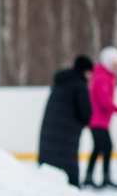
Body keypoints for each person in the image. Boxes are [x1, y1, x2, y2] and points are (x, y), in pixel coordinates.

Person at [85, 46, 117, 190]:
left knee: (99, 148)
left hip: (100, 121)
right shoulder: (102, 77)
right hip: (97, 121)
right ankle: (103, 177)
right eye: (116, 64)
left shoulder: (106, 76)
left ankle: (90, 176)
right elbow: (104, 102)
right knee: (107, 147)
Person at [38, 55, 94, 187]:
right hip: (67, 140)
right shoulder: (80, 85)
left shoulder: (59, 83)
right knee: (69, 176)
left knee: (49, 175)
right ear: (86, 71)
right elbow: (86, 114)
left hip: (49, 137)